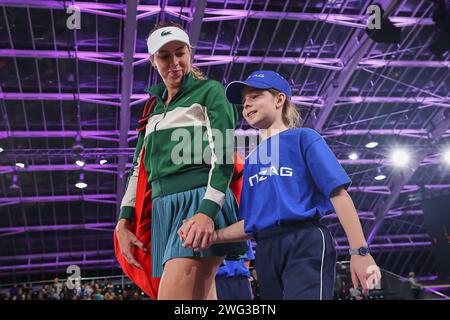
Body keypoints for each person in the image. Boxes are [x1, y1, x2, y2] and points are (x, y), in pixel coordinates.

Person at [180, 70, 381, 300]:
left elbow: (339, 194)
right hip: (265, 250)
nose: (246, 104)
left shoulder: (304, 138)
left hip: (304, 241)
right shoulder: (253, 159)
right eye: (244, 101)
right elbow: (250, 224)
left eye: (254, 96)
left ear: (279, 99)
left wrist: (360, 251)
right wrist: (211, 235)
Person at [115, 22, 247, 300]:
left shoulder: (211, 92)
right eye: (164, 56)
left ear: (189, 53)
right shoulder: (151, 108)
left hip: (199, 202)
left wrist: (205, 212)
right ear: (153, 61)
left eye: (180, 53)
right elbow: (139, 168)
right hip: (164, 210)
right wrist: (123, 222)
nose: (174, 62)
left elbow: (224, 156)